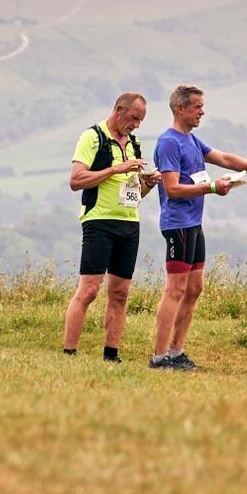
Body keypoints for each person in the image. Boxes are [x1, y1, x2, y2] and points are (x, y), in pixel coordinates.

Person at [149, 84, 247, 370]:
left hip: (194, 224)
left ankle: (176, 351)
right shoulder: (169, 142)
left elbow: (224, 159)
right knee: (176, 290)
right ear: (180, 108)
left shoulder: (192, 140)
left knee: (194, 288)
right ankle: (159, 357)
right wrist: (212, 187)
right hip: (178, 225)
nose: (202, 111)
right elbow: (171, 189)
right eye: (197, 106)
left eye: (202, 105)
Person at [62, 91, 157, 362]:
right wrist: (116, 170)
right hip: (99, 221)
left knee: (120, 292)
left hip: (129, 223)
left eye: (141, 121)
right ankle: (69, 352)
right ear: (119, 110)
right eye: (134, 118)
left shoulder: (134, 143)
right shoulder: (92, 137)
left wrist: (148, 182)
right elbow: (76, 180)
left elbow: (135, 192)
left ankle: (111, 354)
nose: (137, 125)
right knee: (90, 289)